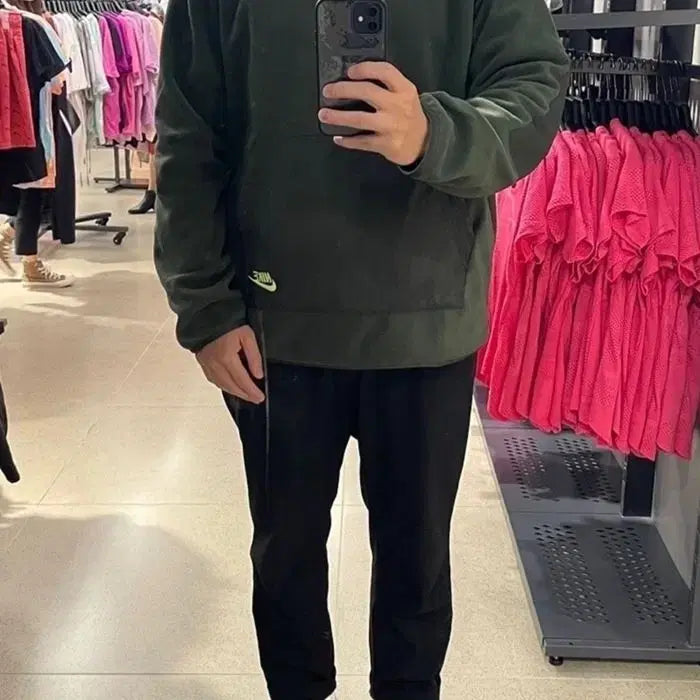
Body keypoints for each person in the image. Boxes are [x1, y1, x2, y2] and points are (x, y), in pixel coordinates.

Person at [154, 1, 568, 699]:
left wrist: (434, 132)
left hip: (427, 324)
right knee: (285, 559)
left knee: (417, 562)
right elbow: (189, 130)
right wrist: (205, 306)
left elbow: (533, 86)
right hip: (273, 326)